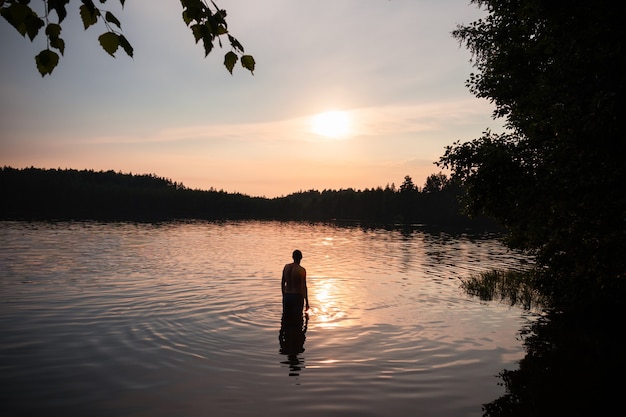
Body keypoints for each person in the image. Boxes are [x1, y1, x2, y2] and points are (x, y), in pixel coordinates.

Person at [281, 249, 309, 315]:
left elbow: (282, 283)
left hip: (287, 295)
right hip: (297, 296)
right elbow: (304, 287)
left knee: (286, 317)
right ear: (301, 258)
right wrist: (307, 302)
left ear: (292, 257)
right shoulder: (301, 270)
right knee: (298, 318)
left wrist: (284, 295)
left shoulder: (286, 267)